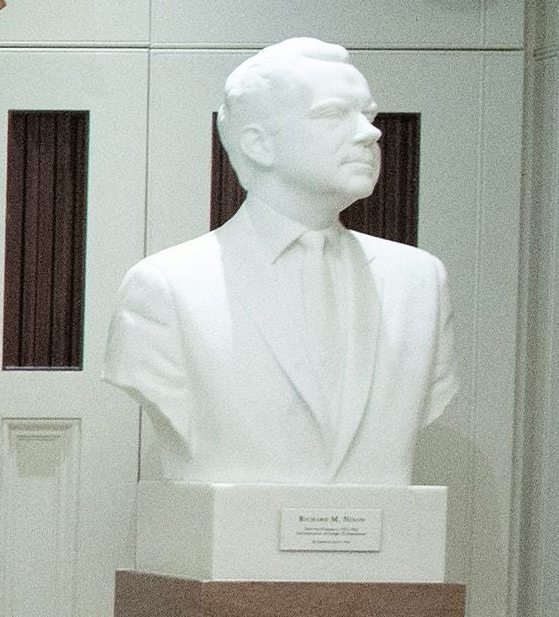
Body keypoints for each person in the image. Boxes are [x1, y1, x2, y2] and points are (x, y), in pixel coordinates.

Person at [103, 37, 458, 487]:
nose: (371, 133)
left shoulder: (420, 282)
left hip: (382, 543)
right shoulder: (165, 286)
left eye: (367, 116)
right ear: (258, 144)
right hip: (231, 543)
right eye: (333, 114)